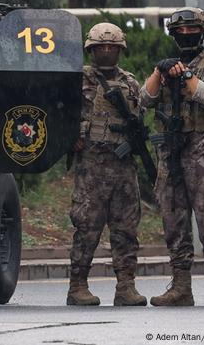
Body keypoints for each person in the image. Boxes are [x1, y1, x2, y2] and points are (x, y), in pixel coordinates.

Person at [140, 7, 204, 307]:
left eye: (193, 31)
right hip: (171, 155)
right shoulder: (168, 68)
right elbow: (144, 99)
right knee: (173, 220)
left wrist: (187, 74)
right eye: (181, 32)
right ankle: (181, 287)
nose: (187, 36)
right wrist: (160, 71)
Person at [67, 22, 147, 306]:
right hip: (93, 165)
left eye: (112, 47)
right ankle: (77, 286)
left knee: (126, 228)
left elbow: (139, 117)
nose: (106, 52)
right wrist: (72, 137)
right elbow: (60, 113)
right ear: (91, 49)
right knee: (87, 226)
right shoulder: (78, 80)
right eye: (101, 47)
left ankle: (126, 286)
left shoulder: (129, 82)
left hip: (124, 166)